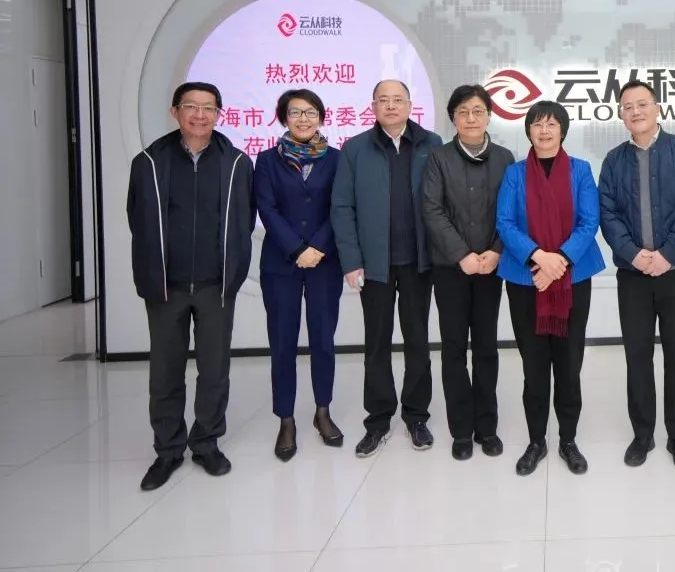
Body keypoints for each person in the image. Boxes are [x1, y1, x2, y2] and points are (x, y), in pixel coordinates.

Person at [127, 81, 255, 491]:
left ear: (219, 113)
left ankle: (206, 443)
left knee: (214, 370)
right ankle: (167, 450)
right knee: (165, 371)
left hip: (216, 286)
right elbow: (137, 219)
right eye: (191, 107)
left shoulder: (236, 163)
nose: (200, 115)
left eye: (208, 108)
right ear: (175, 111)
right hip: (167, 286)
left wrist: (233, 272)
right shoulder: (149, 162)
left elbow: (244, 221)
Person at [598, 81, 675, 471]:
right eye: (628, 106)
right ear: (621, 115)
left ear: (657, 108)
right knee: (637, 355)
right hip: (633, 276)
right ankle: (642, 434)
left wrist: (667, 254)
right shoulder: (614, 160)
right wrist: (633, 254)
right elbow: (607, 213)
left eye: (642, 104)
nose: (636, 111)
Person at [331, 79, 443, 457]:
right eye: (384, 100)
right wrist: (351, 260)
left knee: (417, 341)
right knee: (376, 343)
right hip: (374, 265)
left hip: (419, 262)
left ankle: (416, 416)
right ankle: (378, 420)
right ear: (373, 106)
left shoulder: (431, 144)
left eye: (398, 100)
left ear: (410, 105)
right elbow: (342, 207)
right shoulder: (355, 149)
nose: (391, 106)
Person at [495, 100, 605, 477]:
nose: (544, 131)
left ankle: (568, 440)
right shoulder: (514, 173)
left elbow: (589, 221)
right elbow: (505, 222)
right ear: (528, 131)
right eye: (537, 124)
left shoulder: (580, 170)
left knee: (569, 364)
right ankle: (536, 440)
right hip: (526, 279)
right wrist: (539, 258)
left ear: (562, 130)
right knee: (534, 365)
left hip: (572, 277)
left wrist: (559, 261)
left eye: (551, 124)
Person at [422, 84, 514, 461]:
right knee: (454, 348)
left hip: (491, 266)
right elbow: (432, 209)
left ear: (489, 115)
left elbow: (512, 211)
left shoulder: (505, 158)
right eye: (463, 112)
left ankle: (487, 427)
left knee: (487, 347)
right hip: (451, 268)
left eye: (477, 110)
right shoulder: (438, 158)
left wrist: (496, 251)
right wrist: (461, 254)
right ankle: (461, 430)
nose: (471, 118)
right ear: (453, 118)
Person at [255, 89, 344, 462]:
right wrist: (296, 249)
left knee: (323, 339)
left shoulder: (337, 159)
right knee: (282, 343)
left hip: (325, 263)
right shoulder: (266, 160)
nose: (303, 119)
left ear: (321, 117)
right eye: (295, 112)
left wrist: (317, 247)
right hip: (281, 263)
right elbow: (267, 208)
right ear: (283, 117)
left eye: (310, 112)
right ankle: (286, 419)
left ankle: (323, 411)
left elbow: (340, 206)